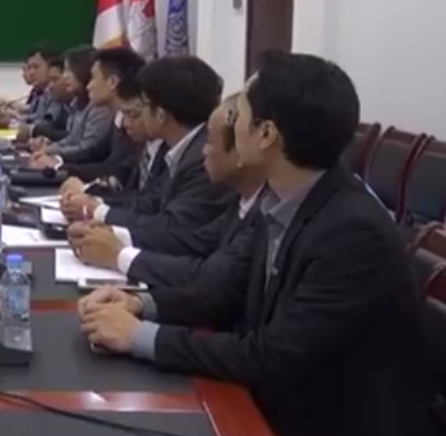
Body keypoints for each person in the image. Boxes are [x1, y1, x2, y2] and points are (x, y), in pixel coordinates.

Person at [79, 51, 435, 436]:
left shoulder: (352, 232)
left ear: (266, 134)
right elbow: (226, 292)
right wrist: (140, 304)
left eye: (238, 115)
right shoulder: (285, 196)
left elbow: (274, 356)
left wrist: (140, 337)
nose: (227, 127)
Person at [67, 93, 266, 288]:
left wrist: (119, 255)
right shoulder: (241, 201)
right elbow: (192, 241)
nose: (204, 150)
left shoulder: (262, 212)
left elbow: (210, 276)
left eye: (211, 141)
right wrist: (114, 235)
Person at [62, 55, 232, 236]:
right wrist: (96, 205)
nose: (139, 114)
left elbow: (173, 228)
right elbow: (150, 203)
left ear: (160, 115)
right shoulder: (176, 149)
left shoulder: (201, 159)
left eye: (143, 104)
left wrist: (98, 212)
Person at [31, 47, 145, 174]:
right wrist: (55, 159)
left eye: (93, 78)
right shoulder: (118, 118)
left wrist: (58, 166)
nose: (88, 86)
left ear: (112, 82)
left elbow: (112, 168)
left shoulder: (133, 124)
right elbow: (93, 152)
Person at [31, 46, 111, 161]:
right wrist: (48, 148)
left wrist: (49, 151)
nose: (65, 77)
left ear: (83, 71)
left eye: (69, 71)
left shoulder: (100, 109)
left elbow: (86, 149)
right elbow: (71, 140)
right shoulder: (76, 104)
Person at [28, 56, 71, 142]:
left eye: (55, 80)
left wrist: (31, 130)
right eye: (29, 68)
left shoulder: (87, 108)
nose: (31, 72)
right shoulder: (64, 103)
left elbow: (75, 140)